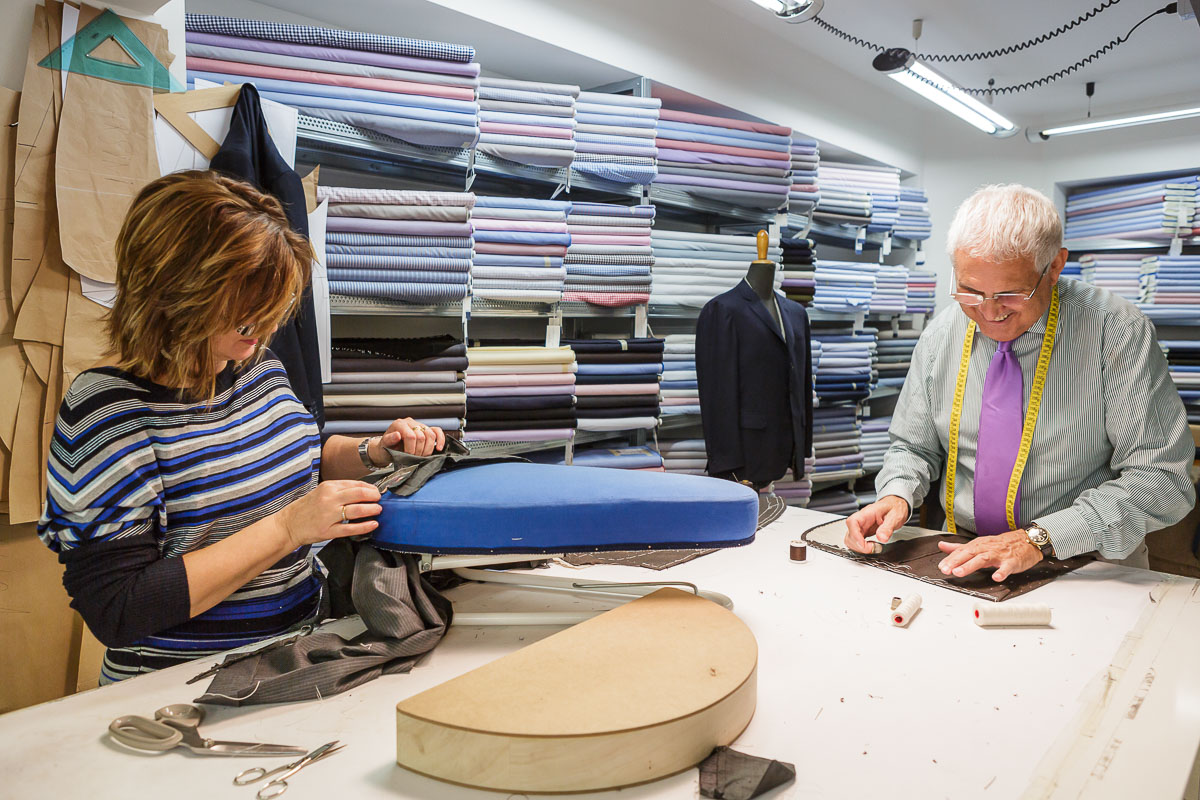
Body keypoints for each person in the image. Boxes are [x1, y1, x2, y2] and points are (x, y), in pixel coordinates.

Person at [37, 170, 445, 683]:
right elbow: (119, 609)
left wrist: (372, 453)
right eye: (245, 315)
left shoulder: (255, 364)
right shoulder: (107, 416)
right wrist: (288, 529)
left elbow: (294, 463)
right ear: (175, 294)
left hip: (295, 654)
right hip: (180, 685)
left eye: (271, 310)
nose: (265, 328)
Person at [846, 184, 1194, 581]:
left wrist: (1039, 539)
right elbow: (912, 447)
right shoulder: (941, 334)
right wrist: (897, 493)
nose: (989, 311)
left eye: (1010, 293)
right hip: (966, 556)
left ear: (1055, 266)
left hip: (1086, 563)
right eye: (970, 291)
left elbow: (1162, 478)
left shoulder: (1116, 332)